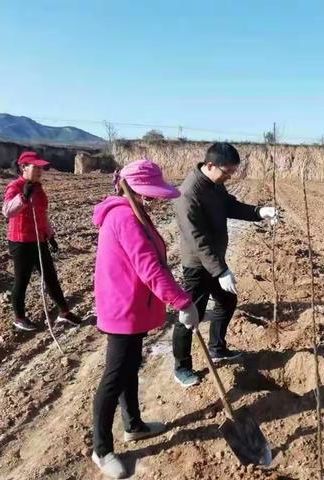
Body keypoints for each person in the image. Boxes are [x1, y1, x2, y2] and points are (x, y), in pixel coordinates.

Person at [91, 159, 199, 479]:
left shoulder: (136, 212)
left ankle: (133, 424)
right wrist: (182, 302)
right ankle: (101, 449)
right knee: (114, 377)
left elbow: (156, 264)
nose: (155, 199)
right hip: (123, 309)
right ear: (131, 189)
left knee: (129, 369)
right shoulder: (125, 217)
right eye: (150, 193)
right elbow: (150, 269)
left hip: (133, 306)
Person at [172, 142, 279, 387]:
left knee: (227, 301)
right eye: (227, 171)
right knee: (190, 315)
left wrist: (259, 211)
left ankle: (217, 348)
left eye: (232, 172)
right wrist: (220, 270)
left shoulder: (214, 185)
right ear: (210, 165)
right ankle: (181, 367)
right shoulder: (188, 194)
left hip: (214, 261)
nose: (229, 176)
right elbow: (195, 239)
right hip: (197, 265)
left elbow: (230, 206)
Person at [2, 151, 80, 331]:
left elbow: (42, 214)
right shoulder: (15, 186)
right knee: (22, 280)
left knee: (51, 277)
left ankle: (64, 312)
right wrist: (22, 197)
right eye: (35, 167)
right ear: (23, 167)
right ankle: (19, 318)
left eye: (40, 168)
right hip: (21, 241)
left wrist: (50, 235)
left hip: (39, 239)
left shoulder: (38, 187)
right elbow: (7, 211)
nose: (39, 171)